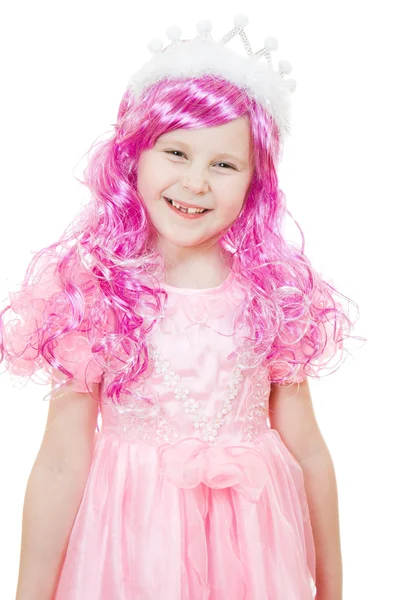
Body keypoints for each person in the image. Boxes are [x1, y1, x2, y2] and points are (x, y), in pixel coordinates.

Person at [0, 14, 360, 600]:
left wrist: (333, 588)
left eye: (224, 164)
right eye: (176, 153)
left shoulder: (272, 293)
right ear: (134, 157)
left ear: (254, 182)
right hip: (131, 547)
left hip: (254, 553)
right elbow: (62, 461)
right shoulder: (97, 290)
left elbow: (309, 451)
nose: (196, 183)